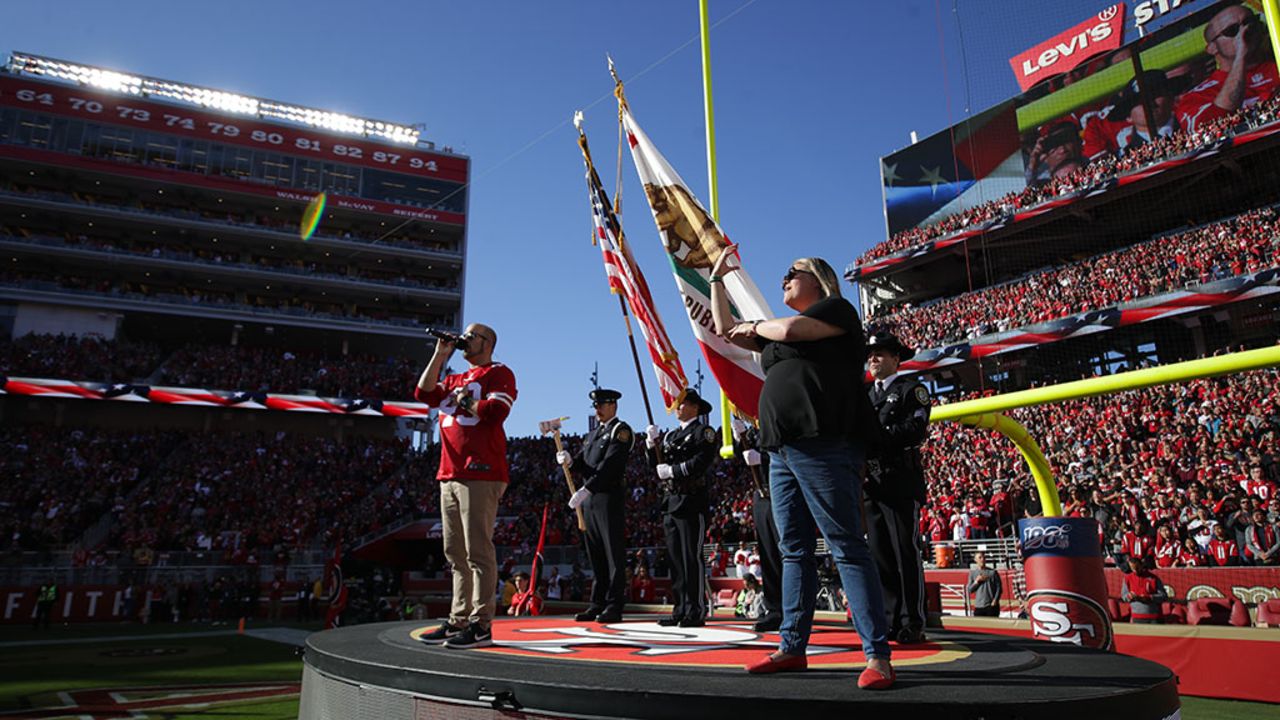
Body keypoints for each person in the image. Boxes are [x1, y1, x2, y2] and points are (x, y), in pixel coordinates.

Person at [711, 253, 893, 690]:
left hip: (824, 442)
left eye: (793, 272)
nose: (785, 278)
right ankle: (792, 646)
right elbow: (724, 330)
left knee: (845, 544)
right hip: (781, 449)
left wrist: (755, 328)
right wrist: (716, 281)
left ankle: (878, 656)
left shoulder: (836, 311)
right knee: (793, 549)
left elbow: (789, 329)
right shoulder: (773, 337)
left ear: (819, 279)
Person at [414, 323, 517, 650]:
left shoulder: (499, 372)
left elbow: (496, 410)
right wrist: (439, 355)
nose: (466, 339)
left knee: (477, 550)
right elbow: (423, 393)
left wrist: (464, 401)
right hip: (450, 470)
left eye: (473, 335)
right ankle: (459, 617)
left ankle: (481, 623)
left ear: (488, 342)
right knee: (454, 552)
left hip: (481, 470)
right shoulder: (454, 377)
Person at [864, 329, 931, 644]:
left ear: (896, 358)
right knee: (881, 555)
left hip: (899, 481)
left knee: (905, 552)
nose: (873, 358)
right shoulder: (865, 395)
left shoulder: (911, 390)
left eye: (881, 353)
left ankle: (912, 621)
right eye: (870, 354)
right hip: (872, 483)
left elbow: (915, 430)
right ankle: (890, 619)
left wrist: (876, 439)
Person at [557, 388, 633, 623]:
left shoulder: (621, 431)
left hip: (608, 497)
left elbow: (611, 465)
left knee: (613, 555)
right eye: (596, 406)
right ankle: (597, 602)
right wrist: (568, 460)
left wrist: (586, 489)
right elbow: (582, 463)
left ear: (613, 406)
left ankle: (614, 605)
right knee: (596, 554)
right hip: (590, 500)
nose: (598, 409)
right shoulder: (592, 436)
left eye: (602, 405)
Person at [645, 389, 718, 628]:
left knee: (690, 556)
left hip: (691, 498)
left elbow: (701, 462)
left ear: (695, 407)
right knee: (675, 559)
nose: (677, 407)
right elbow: (657, 466)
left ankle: (695, 609)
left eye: (682, 403)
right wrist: (650, 445)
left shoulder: (703, 432)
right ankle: (680, 607)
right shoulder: (671, 436)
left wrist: (673, 471)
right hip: (671, 500)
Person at [1176, 2, 1278, 134]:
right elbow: (1206, 128)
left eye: (1249, 22)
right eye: (1232, 31)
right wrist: (1241, 56)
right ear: (1212, 48)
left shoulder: (1276, 66)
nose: (1244, 32)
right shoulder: (1195, 97)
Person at [732, 418, 783, 632]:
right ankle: (774, 609)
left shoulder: (778, 420)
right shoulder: (756, 428)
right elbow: (741, 457)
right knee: (768, 554)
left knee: (785, 554)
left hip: (782, 490)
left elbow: (790, 451)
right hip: (761, 494)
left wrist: (762, 458)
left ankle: (794, 608)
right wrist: (738, 440)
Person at [1121, 556, 1167, 624]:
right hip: (1136, 617)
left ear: (1141, 565)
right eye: (1133, 569)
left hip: (1153, 618)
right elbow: (1123, 596)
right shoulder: (1127, 579)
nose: (1135, 571)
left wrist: (1149, 598)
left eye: (1137, 568)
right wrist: (1129, 596)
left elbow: (1163, 596)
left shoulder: (1154, 578)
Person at [966, 552, 1002, 617]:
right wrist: (976, 581)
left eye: (983, 557)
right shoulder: (973, 573)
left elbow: (999, 588)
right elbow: (969, 590)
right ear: (975, 560)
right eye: (980, 557)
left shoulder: (993, 572)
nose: (982, 559)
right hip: (979, 606)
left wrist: (995, 600)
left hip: (991, 606)